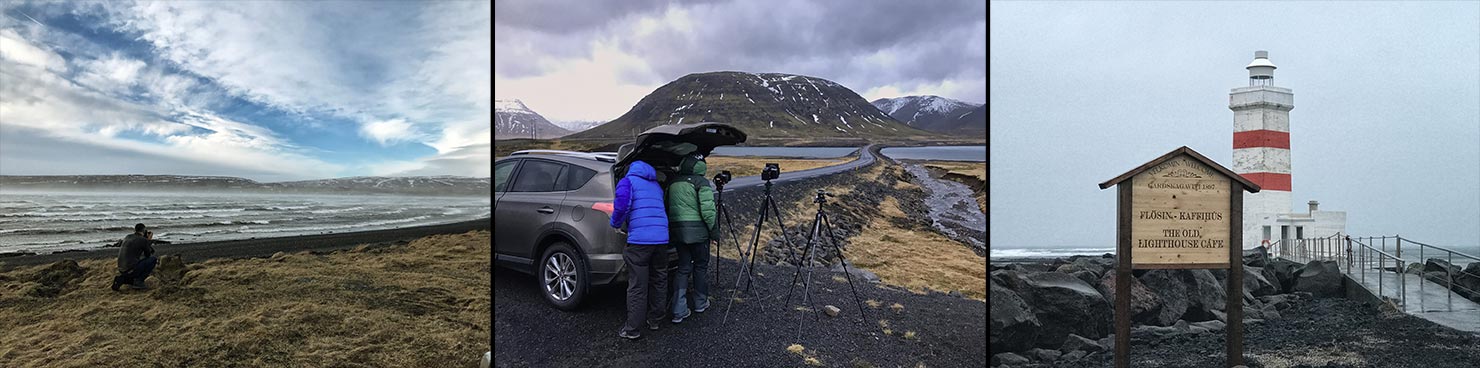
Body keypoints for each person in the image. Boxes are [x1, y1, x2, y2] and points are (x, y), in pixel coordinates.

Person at [609, 160, 670, 340]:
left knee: (638, 285)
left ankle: (633, 329)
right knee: (659, 279)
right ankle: (655, 320)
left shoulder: (628, 181)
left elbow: (622, 205)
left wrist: (615, 224)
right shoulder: (655, 184)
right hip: (661, 238)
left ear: (630, 169)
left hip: (640, 241)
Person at [666, 154, 717, 324]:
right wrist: (714, 233)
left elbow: (667, 206)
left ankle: (678, 310)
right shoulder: (701, 183)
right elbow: (708, 212)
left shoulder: (673, 183)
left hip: (678, 232)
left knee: (683, 268)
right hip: (698, 233)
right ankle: (700, 303)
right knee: (700, 266)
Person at [113, 223, 158, 291]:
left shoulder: (128, 236)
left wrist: (145, 240)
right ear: (144, 231)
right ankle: (139, 281)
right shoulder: (143, 240)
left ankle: (121, 279)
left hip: (121, 269)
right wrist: (148, 240)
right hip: (131, 269)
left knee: (136, 262)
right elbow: (148, 254)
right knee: (153, 260)